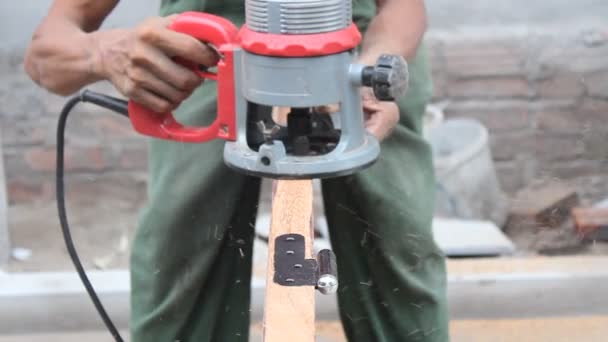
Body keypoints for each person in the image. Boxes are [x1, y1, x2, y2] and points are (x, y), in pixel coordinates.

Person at [24, 0, 449, 341]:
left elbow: (404, 7)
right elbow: (45, 53)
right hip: (205, 42)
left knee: (396, 239)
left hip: (358, 31)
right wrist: (104, 52)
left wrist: (374, 66)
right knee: (182, 247)